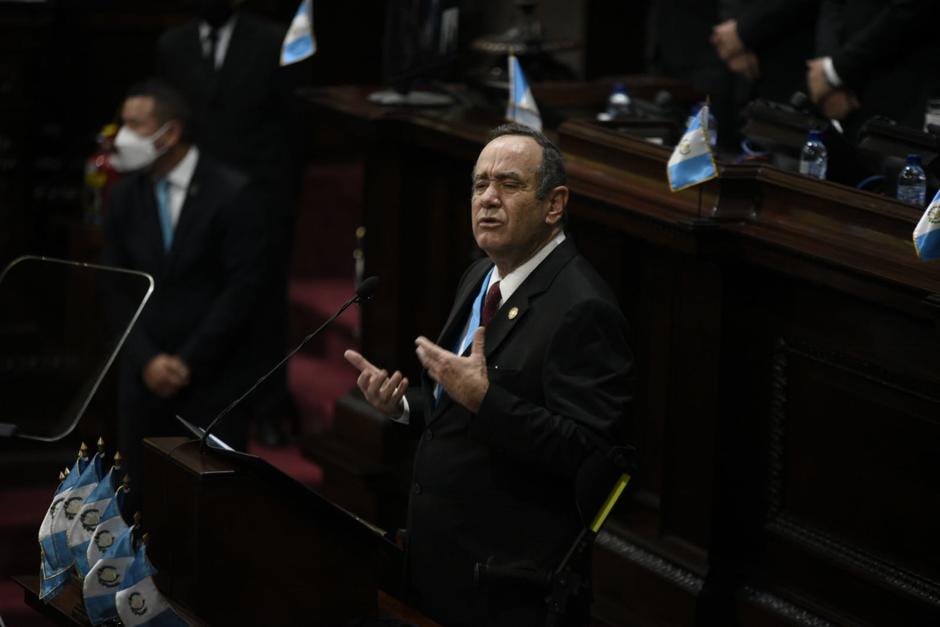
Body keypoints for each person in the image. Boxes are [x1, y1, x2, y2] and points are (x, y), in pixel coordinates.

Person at [344, 124, 634, 626]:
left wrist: (485, 400)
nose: (488, 199)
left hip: (504, 587)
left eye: (509, 184)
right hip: (440, 562)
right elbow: (460, 405)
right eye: (480, 184)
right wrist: (405, 405)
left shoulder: (583, 308)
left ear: (554, 204)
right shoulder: (480, 276)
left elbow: (589, 452)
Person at [102, 79, 266, 501]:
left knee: (212, 507)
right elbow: (115, 288)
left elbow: (242, 290)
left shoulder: (232, 193)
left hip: (212, 381)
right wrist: (147, 360)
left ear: (170, 133)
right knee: (140, 503)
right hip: (142, 380)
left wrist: (187, 361)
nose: (122, 136)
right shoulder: (122, 197)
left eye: (135, 125)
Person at [157, 0, 307, 444]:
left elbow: (295, 129)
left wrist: (281, 201)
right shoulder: (173, 45)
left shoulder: (273, 41)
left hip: (261, 203)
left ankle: (270, 407)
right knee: (207, 300)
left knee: (264, 307)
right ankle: (208, 402)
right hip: (196, 203)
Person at [806, 0, 940, 137]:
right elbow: (832, 5)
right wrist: (828, 66)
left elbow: (909, 10)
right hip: (832, 85)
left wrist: (835, 70)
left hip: (896, 86)